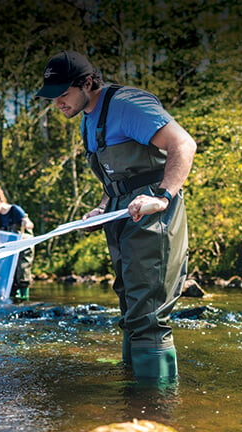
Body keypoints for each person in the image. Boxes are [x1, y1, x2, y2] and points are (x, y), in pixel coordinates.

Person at [36, 51, 196, 384]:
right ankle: (131, 400)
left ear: (89, 83)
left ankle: (156, 410)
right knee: (130, 307)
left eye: (63, 94)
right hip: (122, 212)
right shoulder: (87, 116)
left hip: (154, 214)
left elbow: (183, 143)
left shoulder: (129, 105)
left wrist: (162, 198)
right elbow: (119, 176)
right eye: (52, 97)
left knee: (148, 314)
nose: (57, 104)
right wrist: (102, 206)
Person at [0, 185, 35, 300]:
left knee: (22, 271)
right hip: (9, 249)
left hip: (24, 246)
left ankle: (24, 298)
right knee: (8, 274)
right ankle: (12, 299)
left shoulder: (15, 210)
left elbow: (30, 224)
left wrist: (26, 223)